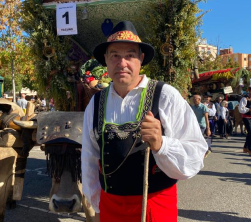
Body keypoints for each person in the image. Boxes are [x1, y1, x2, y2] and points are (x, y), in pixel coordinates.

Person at [81, 21, 207, 222]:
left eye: (130, 55)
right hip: (110, 206)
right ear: (106, 60)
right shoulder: (96, 103)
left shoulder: (165, 95)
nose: (122, 63)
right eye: (114, 55)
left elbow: (195, 153)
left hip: (154, 206)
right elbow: (89, 158)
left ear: (141, 59)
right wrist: (97, 205)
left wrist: (161, 144)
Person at [239, 85, 251, 156]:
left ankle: (245, 147)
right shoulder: (244, 98)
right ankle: (250, 149)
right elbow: (241, 109)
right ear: (250, 90)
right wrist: (248, 109)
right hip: (246, 117)